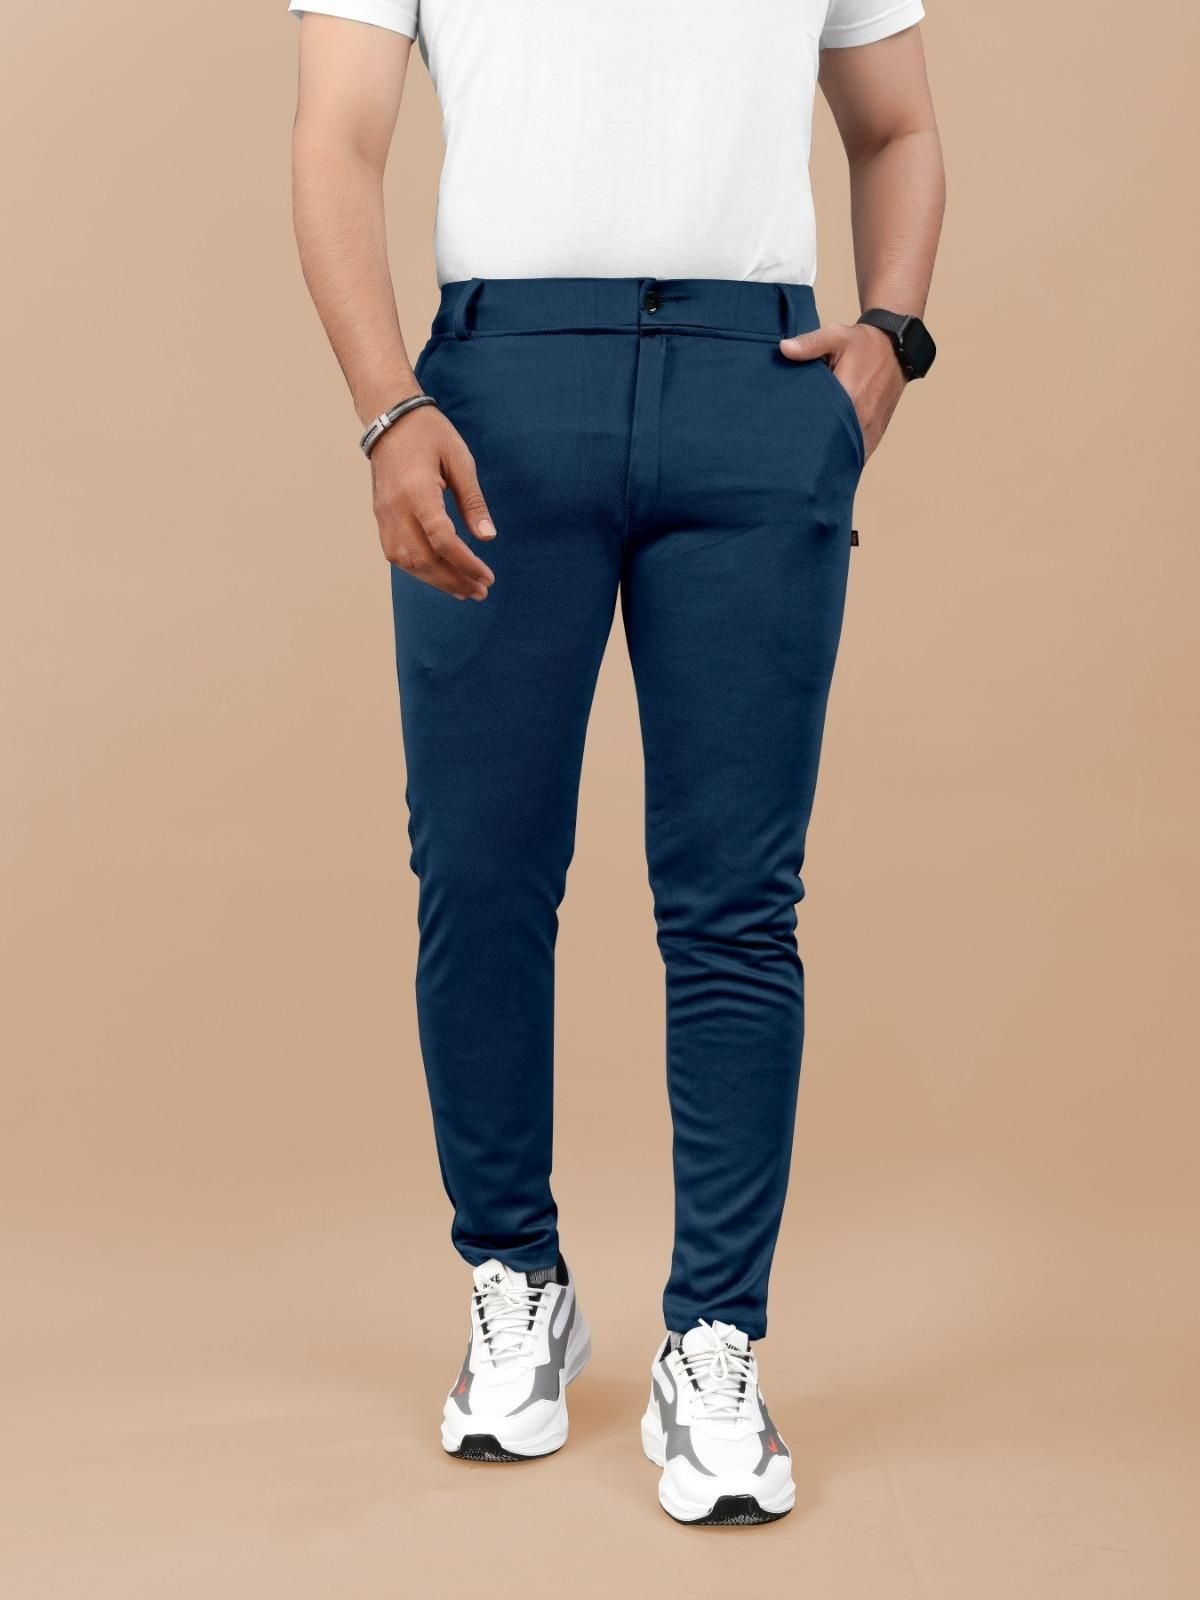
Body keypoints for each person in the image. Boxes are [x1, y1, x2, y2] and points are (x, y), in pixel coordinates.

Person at [288, 0, 944, 1526]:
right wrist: (386, 406)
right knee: (480, 871)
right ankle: (513, 1277)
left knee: (736, 900)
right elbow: (335, 139)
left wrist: (893, 336)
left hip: (754, 390)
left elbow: (901, 125)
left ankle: (716, 1339)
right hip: (499, 394)